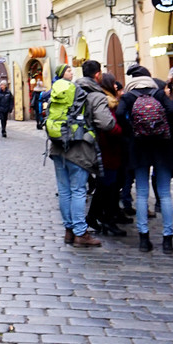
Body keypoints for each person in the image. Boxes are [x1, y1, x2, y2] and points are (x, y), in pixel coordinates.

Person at [46, 61, 112, 249]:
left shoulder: (61, 90)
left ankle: (69, 231)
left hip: (58, 146)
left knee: (65, 191)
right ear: (97, 76)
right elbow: (106, 123)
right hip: (79, 149)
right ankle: (80, 233)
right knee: (78, 191)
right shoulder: (94, 95)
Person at [117, 65, 173, 254]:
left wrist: (132, 131)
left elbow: (119, 115)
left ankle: (144, 239)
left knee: (142, 193)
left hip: (139, 147)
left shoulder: (128, 96)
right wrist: (165, 130)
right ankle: (167, 241)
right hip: (162, 146)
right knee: (165, 194)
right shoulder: (158, 93)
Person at [89, 71, 127, 237]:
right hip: (107, 148)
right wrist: (121, 131)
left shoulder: (102, 99)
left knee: (105, 185)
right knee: (108, 185)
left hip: (107, 149)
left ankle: (96, 216)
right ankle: (106, 219)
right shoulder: (106, 102)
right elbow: (108, 125)